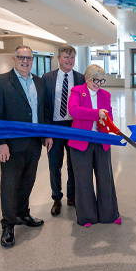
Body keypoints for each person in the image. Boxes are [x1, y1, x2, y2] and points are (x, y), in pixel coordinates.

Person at [0, 45, 53, 247]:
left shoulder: (39, 82)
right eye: (21, 58)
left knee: (28, 180)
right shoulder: (0, 82)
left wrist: (47, 134)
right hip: (11, 144)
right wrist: (0, 143)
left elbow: (44, 110)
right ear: (14, 59)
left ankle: (23, 213)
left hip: (34, 142)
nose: (25, 61)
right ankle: (8, 224)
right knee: (9, 185)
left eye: (29, 58)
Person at [67, 64, 121, 227]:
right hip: (80, 142)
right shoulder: (77, 91)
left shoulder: (105, 94)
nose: (98, 84)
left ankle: (109, 214)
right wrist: (96, 113)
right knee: (83, 180)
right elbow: (73, 110)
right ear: (86, 78)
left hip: (101, 141)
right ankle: (87, 217)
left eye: (101, 81)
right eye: (95, 80)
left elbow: (109, 115)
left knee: (106, 178)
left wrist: (110, 123)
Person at [42, 45, 85, 217]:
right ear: (58, 58)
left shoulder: (81, 78)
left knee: (74, 164)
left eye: (72, 58)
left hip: (74, 127)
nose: (69, 61)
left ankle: (72, 196)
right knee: (55, 165)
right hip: (55, 127)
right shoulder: (47, 78)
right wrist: (47, 133)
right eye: (66, 57)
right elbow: (44, 107)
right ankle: (56, 198)